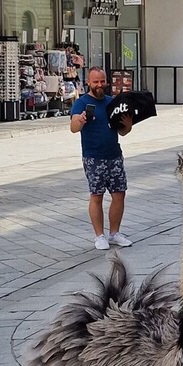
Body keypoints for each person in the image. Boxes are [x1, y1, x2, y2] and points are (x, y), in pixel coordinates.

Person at [70, 66, 133, 250]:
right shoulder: (81, 103)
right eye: (96, 81)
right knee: (97, 196)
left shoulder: (112, 102)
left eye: (102, 81)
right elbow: (73, 128)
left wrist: (128, 125)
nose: (99, 85)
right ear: (88, 82)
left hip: (114, 155)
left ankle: (114, 233)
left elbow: (122, 132)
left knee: (119, 194)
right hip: (93, 157)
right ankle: (99, 236)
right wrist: (79, 120)